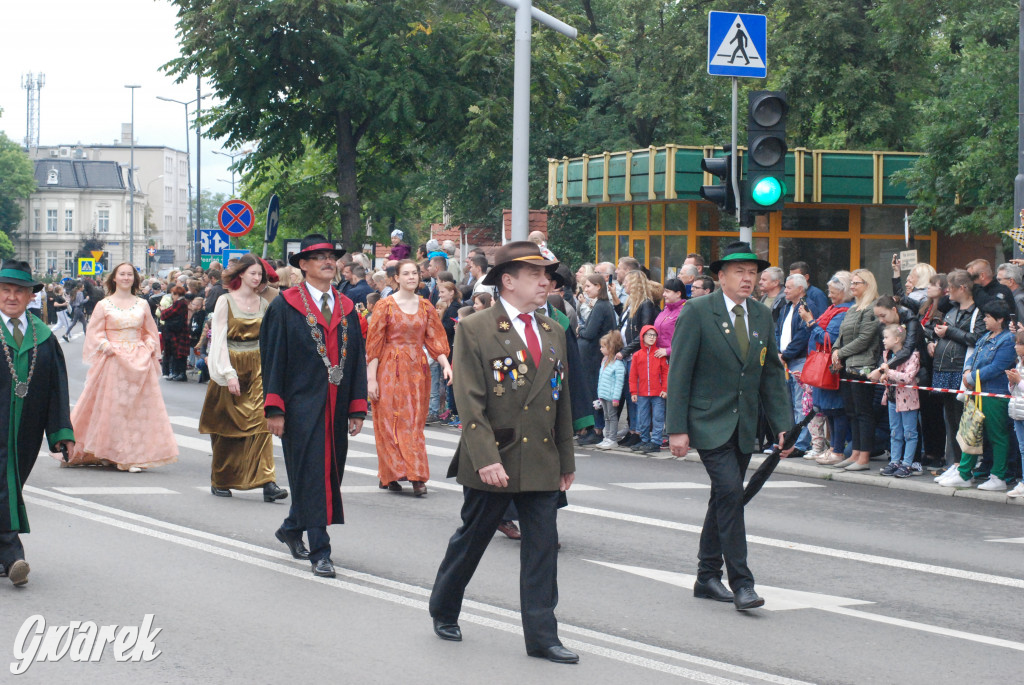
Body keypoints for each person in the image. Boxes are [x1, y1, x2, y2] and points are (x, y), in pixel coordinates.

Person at [429, 241, 577, 664]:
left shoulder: (554, 331)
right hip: (495, 454)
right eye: (536, 276)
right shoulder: (475, 327)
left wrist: (566, 460)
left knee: (542, 547)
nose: (546, 282)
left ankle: (543, 636)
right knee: (472, 538)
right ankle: (444, 606)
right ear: (508, 281)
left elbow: (561, 401)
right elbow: (469, 401)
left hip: (542, 458)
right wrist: (486, 456)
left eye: (547, 276)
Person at [667, 241, 791, 611]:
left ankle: (706, 575)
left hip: (744, 424)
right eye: (739, 272)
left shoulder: (761, 314)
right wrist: (676, 427)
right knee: (731, 494)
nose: (748, 279)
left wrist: (784, 425)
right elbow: (680, 371)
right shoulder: (697, 311)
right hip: (706, 421)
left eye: (753, 273)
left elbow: (771, 375)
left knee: (724, 496)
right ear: (720, 277)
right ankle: (742, 582)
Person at [261, 234, 368, 578]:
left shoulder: (348, 306)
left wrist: (356, 405)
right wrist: (274, 407)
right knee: (313, 474)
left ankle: (293, 527)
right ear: (303, 265)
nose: (328, 261)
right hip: (300, 406)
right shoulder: (285, 304)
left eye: (331, 256)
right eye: (318, 257)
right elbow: (273, 358)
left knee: (325, 476)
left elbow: (356, 361)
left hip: (336, 407)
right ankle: (320, 551)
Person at [0, 261, 75, 588]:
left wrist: (61, 433)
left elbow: (56, 387)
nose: (12, 297)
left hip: (26, 431)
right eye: (5, 290)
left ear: (31, 296)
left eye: (19, 291)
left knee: (9, 485)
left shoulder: (42, 337)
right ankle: (13, 553)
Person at [63, 263, 178, 472]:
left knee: (135, 409)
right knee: (113, 408)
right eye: (122, 274)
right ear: (114, 278)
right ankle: (111, 451)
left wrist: (150, 344)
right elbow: (94, 332)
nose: (126, 277)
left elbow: (149, 330)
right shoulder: (104, 305)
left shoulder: (142, 304)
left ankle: (131, 455)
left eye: (129, 274)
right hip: (113, 360)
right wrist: (104, 344)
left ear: (135, 279)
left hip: (138, 360)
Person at [200, 255, 287, 503]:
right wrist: (228, 373)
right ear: (241, 275)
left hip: (258, 366)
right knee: (227, 428)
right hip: (231, 365)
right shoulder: (224, 301)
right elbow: (218, 340)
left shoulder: (264, 304)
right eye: (253, 274)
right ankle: (221, 479)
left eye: (260, 274)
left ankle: (268, 482)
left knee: (262, 423)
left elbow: (270, 339)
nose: (257, 278)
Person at [366, 260, 451, 494]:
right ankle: (391, 473)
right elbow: (374, 345)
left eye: (415, 273)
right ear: (397, 278)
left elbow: (435, 339)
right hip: (388, 368)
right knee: (388, 420)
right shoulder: (385, 306)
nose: (412, 277)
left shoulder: (425, 306)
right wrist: (371, 379)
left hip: (417, 370)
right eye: (406, 274)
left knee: (413, 422)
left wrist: (445, 365)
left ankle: (416, 475)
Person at [938, 300, 1016, 489]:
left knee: (997, 435)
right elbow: (972, 357)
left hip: (995, 394)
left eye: (988, 316)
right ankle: (964, 473)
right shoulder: (987, 336)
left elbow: (998, 367)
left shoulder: (1007, 340)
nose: (984, 319)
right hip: (978, 391)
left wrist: (971, 376)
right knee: (970, 432)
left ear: (1000, 319)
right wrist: (966, 371)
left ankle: (998, 477)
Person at [929, 270, 985, 473]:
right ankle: (954, 463)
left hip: (960, 368)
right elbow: (939, 329)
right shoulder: (951, 309)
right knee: (950, 419)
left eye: (950, 288)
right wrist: (933, 340)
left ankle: (963, 464)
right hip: (944, 367)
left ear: (962, 288)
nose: (947, 292)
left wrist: (949, 332)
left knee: (962, 418)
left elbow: (976, 338)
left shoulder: (977, 311)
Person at [829, 269, 880, 471]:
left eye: (856, 283)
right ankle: (855, 453)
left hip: (863, 366)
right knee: (851, 411)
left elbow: (865, 338)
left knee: (863, 412)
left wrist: (840, 353)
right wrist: (835, 351)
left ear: (867, 285)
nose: (852, 287)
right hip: (847, 366)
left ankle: (864, 456)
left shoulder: (872, 308)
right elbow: (841, 335)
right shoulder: (852, 309)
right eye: (852, 283)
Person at [776, 274, 823, 458]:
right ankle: (788, 440)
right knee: (787, 403)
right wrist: (779, 353)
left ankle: (801, 443)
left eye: (788, 287)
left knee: (800, 403)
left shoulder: (807, 306)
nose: (785, 290)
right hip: (785, 359)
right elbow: (778, 331)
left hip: (800, 359)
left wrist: (786, 354)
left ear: (800, 289)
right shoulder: (786, 306)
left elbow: (804, 335)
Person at [869, 324, 921, 478]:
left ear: (897, 339)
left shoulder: (913, 356)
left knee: (910, 433)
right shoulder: (888, 356)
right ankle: (895, 461)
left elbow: (907, 377)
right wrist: (885, 376)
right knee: (895, 432)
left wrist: (887, 372)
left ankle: (907, 464)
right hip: (892, 399)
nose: (883, 341)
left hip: (908, 400)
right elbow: (890, 376)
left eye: (886, 337)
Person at [615, 270, 659, 447]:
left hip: (635, 356)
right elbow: (623, 324)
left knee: (637, 396)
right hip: (627, 355)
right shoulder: (630, 302)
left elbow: (643, 332)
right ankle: (633, 429)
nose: (624, 285)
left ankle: (640, 432)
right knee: (629, 394)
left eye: (627, 282)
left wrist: (625, 351)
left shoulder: (645, 304)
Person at [577, 275, 618, 444]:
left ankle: (597, 429)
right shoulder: (600, 305)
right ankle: (594, 427)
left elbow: (590, 332)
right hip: (594, 354)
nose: (585, 290)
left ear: (598, 286)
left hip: (595, 356)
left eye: (588, 286)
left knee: (595, 392)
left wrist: (581, 330)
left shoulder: (601, 306)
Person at [629, 325, 668, 453]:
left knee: (658, 418)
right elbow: (633, 375)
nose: (652, 337)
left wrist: (665, 389)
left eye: (654, 335)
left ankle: (656, 442)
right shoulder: (637, 355)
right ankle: (645, 440)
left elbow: (665, 373)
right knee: (643, 418)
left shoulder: (659, 354)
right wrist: (633, 391)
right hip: (642, 392)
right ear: (642, 337)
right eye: (649, 335)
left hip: (658, 393)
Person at [595, 331, 626, 450]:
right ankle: (607, 437)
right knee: (606, 416)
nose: (601, 349)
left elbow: (619, 383)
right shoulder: (604, 362)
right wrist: (599, 394)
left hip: (611, 396)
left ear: (611, 348)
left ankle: (612, 438)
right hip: (603, 395)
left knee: (612, 417)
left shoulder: (618, 364)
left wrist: (616, 398)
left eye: (603, 347)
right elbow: (601, 379)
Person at [1005, 330, 1024, 497]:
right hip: (1018, 411)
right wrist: (1012, 383)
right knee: (1022, 448)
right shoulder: (1019, 363)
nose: (1016, 346)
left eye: (1019, 343)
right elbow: (1013, 391)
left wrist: (1018, 381)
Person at [161, 285, 191, 382]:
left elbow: (166, 314)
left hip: (177, 332)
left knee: (178, 354)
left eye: (173, 294)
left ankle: (180, 373)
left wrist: (162, 310)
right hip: (179, 331)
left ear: (177, 294)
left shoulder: (179, 303)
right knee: (178, 354)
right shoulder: (182, 303)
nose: (172, 296)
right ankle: (178, 373)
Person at [653, 278, 685, 357]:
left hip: (674, 358)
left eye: (667, 291)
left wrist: (668, 351)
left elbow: (686, 338)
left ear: (678, 294)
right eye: (664, 291)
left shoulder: (685, 311)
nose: (663, 294)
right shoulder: (666, 308)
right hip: (659, 356)